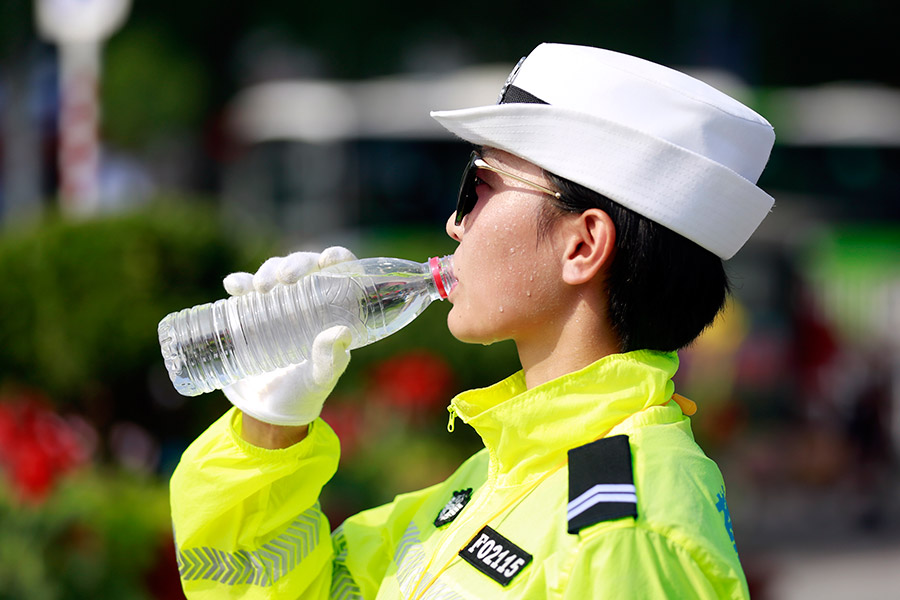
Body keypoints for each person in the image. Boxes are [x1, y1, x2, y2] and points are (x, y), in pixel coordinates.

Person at [170, 43, 775, 599]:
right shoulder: (503, 473)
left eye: (476, 187)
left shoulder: (621, 536)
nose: (456, 224)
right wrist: (270, 429)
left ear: (583, 245)